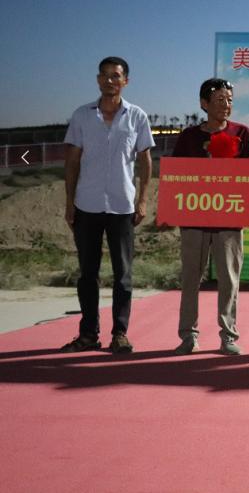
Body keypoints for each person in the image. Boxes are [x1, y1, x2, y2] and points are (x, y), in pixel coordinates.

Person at [60, 56, 155, 354]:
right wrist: (69, 202)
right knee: (88, 274)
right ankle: (88, 334)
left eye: (115, 75)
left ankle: (120, 334)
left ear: (126, 80)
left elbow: (145, 161)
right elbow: (72, 162)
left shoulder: (137, 116)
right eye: (104, 75)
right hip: (86, 204)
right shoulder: (82, 116)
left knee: (123, 275)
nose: (109, 80)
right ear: (98, 79)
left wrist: (142, 200)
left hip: (122, 206)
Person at [169, 78, 249, 356]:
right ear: (204, 103)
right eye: (219, 100)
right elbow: (176, 177)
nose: (226, 105)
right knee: (191, 278)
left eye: (229, 100)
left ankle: (228, 335)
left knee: (229, 279)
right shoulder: (188, 137)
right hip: (194, 220)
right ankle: (188, 335)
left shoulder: (242, 134)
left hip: (229, 219)